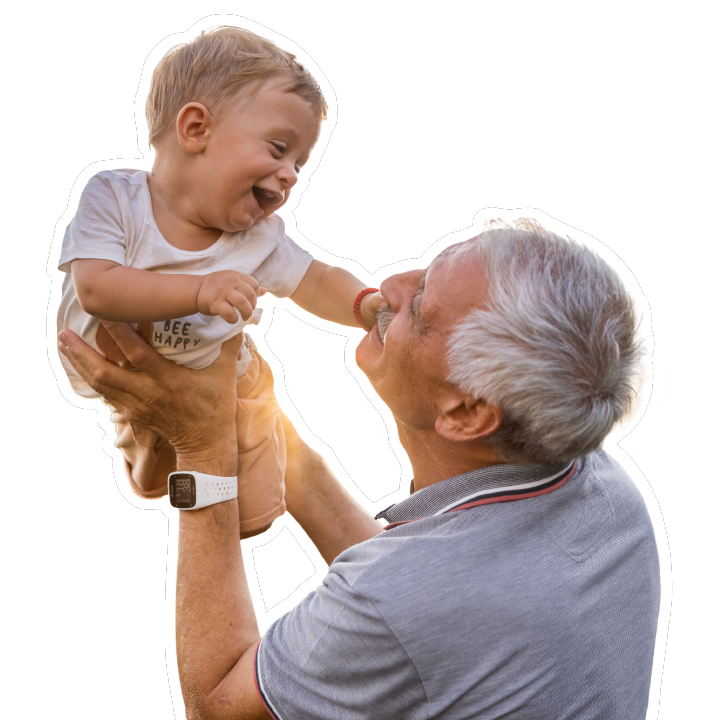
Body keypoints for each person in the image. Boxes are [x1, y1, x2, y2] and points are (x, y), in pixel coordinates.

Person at [58, 220, 665, 720]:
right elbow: (422, 616)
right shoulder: (603, 487)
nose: (388, 288)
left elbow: (218, 706)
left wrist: (202, 450)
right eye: (425, 269)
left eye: (421, 307)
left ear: (467, 410)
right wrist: (266, 422)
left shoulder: (408, 598)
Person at [55, 26, 385, 537]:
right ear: (195, 129)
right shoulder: (116, 199)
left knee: (247, 507)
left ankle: (244, 497)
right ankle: (169, 465)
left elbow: (316, 280)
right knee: (151, 480)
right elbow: (98, 289)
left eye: (299, 163)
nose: (291, 174)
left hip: (228, 379)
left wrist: (365, 305)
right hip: (125, 381)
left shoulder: (259, 239)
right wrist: (200, 291)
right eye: (279, 148)